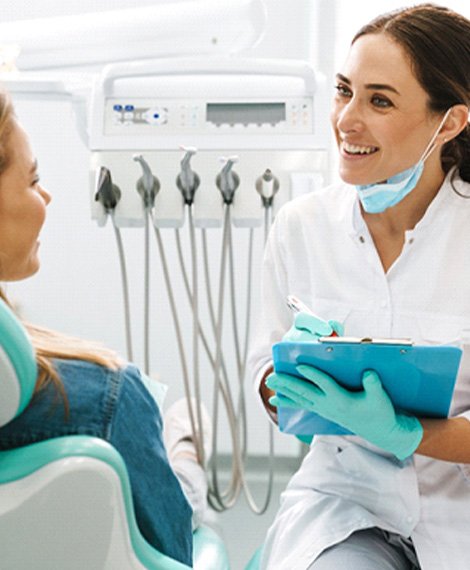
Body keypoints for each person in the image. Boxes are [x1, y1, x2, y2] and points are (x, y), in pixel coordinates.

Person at [248, 4, 470, 569]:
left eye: (380, 100)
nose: (347, 119)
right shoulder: (302, 228)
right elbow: (265, 382)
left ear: (448, 123)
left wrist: (405, 432)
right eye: (343, 91)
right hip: (347, 507)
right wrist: (289, 383)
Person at [0, 88, 211, 566]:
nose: (46, 195)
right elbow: (175, 551)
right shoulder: (105, 397)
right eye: (33, 180)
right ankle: (184, 443)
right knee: (188, 496)